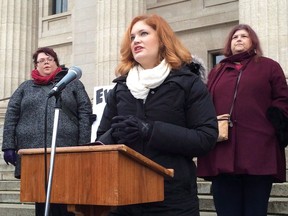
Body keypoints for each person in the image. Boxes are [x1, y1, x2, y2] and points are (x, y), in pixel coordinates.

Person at [96, 14, 218, 216]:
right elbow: (102, 138)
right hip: (125, 200)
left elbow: (205, 138)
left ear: (162, 40)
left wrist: (150, 130)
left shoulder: (188, 83)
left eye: (144, 33)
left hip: (172, 199)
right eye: (133, 37)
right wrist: (113, 136)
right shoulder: (120, 88)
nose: (136, 40)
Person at [197, 24, 288, 216]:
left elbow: (283, 99)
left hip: (258, 151)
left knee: (255, 211)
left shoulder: (269, 66)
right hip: (223, 151)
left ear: (253, 41)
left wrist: (274, 123)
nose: (238, 39)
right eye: (234, 37)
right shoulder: (217, 71)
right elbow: (205, 103)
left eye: (244, 36)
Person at [2, 47, 93, 216]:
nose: (46, 62)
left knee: (65, 200)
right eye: (41, 60)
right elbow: (12, 114)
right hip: (33, 151)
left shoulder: (73, 84)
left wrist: (84, 146)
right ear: (35, 66)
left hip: (65, 149)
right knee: (41, 199)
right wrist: (8, 145)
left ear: (56, 63)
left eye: (49, 59)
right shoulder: (25, 87)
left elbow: (85, 113)